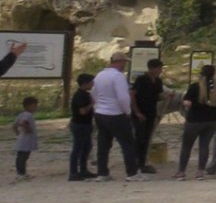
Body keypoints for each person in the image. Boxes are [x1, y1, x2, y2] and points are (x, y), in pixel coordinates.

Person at [92, 52, 143, 181]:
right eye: (124, 63)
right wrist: (127, 111)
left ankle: (102, 172)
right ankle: (131, 173)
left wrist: (99, 105)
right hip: (116, 113)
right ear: (120, 62)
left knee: (103, 144)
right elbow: (123, 97)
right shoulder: (118, 76)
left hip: (101, 113)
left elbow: (94, 94)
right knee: (127, 144)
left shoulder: (99, 75)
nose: (125, 65)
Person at [175, 64, 216, 180]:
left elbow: (186, 102)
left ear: (201, 74)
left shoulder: (195, 87)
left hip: (195, 120)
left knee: (187, 146)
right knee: (204, 146)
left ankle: (181, 172)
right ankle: (200, 171)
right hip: (212, 120)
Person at [131, 58, 166, 174]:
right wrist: (137, 112)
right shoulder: (141, 80)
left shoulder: (158, 81)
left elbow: (158, 97)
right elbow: (133, 95)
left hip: (151, 113)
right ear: (152, 68)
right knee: (139, 138)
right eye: (158, 68)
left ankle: (142, 163)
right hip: (140, 113)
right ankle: (134, 163)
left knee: (146, 139)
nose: (160, 71)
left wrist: (167, 96)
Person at [68, 73, 96, 181]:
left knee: (86, 147)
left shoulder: (85, 94)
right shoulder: (80, 95)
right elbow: (82, 111)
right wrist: (91, 104)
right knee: (77, 148)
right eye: (91, 82)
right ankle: (73, 172)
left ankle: (83, 170)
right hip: (80, 124)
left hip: (86, 124)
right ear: (85, 83)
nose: (93, 84)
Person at [12, 96, 38, 182]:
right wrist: (29, 129)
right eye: (34, 106)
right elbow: (23, 123)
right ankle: (21, 173)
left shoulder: (21, 114)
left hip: (21, 138)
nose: (35, 107)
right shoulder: (28, 115)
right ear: (29, 106)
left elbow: (14, 125)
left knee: (20, 156)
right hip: (26, 139)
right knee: (23, 157)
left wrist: (17, 133)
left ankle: (21, 172)